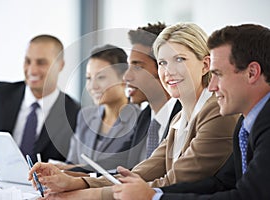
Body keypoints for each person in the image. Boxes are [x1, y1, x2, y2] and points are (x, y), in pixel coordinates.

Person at [28, 23, 239, 200]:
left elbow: (172, 181)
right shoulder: (179, 117)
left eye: (179, 60)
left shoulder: (216, 112)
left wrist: (77, 195)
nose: (169, 71)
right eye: (163, 63)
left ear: (205, 65)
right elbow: (140, 173)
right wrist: (75, 182)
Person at [112, 23, 270, 200]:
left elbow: (246, 196)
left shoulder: (223, 115)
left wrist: (153, 196)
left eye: (179, 59)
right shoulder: (243, 124)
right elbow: (220, 183)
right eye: (162, 63)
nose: (212, 85)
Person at [0, 34, 80, 179]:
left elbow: (77, 168)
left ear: (60, 65)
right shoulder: (0, 94)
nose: (32, 70)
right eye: (27, 61)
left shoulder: (74, 113)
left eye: (41, 63)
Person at [62, 44, 140, 172]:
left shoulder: (139, 121)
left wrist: (69, 170)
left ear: (124, 78)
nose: (93, 86)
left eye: (101, 77)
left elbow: (120, 169)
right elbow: (71, 162)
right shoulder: (85, 115)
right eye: (88, 78)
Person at [124, 22, 181, 165]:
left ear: (163, 68)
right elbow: (125, 168)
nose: (126, 77)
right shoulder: (144, 118)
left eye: (137, 67)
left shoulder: (185, 117)